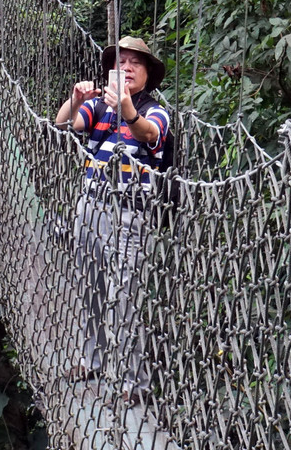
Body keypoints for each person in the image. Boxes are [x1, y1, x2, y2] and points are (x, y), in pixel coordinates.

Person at [53, 36, 169, 406]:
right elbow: (64, 124)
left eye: (137, 63)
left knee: (126, 297)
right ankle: (93, 360)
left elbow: (149, 135)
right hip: (90, 207)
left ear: (148, 75)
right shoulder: (99, 109)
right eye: (122, 61)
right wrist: (77, 98)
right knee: (91, 287)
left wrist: (127, 108)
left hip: (131, 214)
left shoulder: (154, 110)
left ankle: (135, 384)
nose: (128, 67)